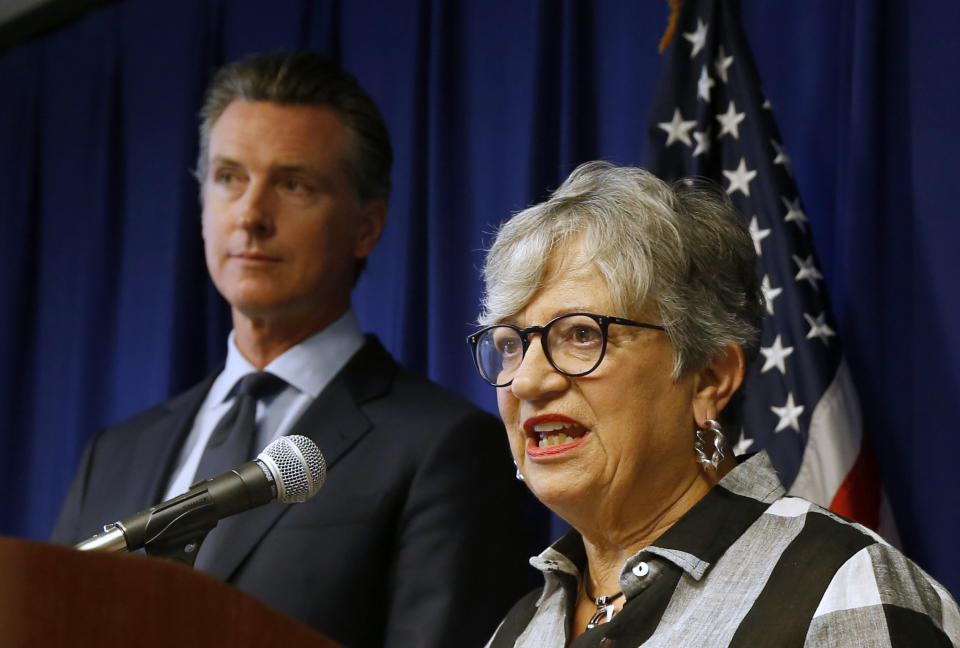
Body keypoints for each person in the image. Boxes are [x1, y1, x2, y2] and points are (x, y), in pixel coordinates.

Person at [51, 51, 541, 647]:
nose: (251, 216)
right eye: (230, 178)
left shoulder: (445, 449)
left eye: (294, 185)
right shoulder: (115, 454)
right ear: (203, 204)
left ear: (367, 225)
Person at [469, 161, 960, 647]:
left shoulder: (840, 590)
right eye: (512, 343)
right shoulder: (517, 631)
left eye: (580, 334)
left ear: (709, 378)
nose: (527, 381)